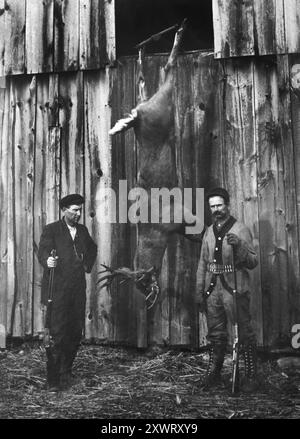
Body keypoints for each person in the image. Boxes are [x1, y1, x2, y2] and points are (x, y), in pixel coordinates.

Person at [196, 187, 258, 392]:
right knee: (216, 334)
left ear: (228, 205)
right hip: (212, 291)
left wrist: (239, 245)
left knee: (244, 333)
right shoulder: (208, 231)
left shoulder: (240, 229)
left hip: (234, 289)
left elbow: (253, 262)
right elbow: (203, 263)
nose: (216, 210)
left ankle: (250, 377)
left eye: (219, 205)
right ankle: (213, 374)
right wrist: (200, 291)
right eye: (212, 206)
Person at [38, 194, 97, 391]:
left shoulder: (82, 231)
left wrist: (87, 265)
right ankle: (53, 379)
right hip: (57, 290)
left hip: (77, 290)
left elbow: (92, 249)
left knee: (74, 331)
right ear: (64, 210)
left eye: (80, 210)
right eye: (74, 210)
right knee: (57, 333)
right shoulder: (52, 229)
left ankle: (66, 371)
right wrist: (48, 260)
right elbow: (43, 250)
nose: (78, 214)